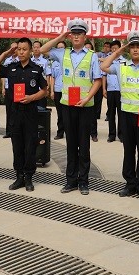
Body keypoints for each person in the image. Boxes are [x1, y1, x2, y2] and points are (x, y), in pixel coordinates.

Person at [41, 19, 102, 195]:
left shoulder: (92, 56)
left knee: (83, 145)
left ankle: (83, 181)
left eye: (79, 33)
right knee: (71, 143)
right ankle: (71, 180)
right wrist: (61, 35)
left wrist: (87, 98)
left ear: (85, 36)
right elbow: (44, 50)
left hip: (85, 106)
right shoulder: (63, 53)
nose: (76, 36)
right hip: (67, 105)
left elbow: (97, 81)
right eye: (73, 33)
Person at [101, 32, 139, 199]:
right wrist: (119, 51)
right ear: (128, 49)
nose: (135, 50)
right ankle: (130, 183)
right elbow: (104, 66)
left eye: (138, 46)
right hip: (126, 114)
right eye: (132, 46)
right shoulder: (122, 66)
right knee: (128, 150)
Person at [0, 38, 48, 191]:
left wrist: (32, 98)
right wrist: (6, 53)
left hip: (30, 113)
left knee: (30, 146)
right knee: (17, 146)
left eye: (24, 49)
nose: (21, 52)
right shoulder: (11, 67)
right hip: (14, 113)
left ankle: (28, 178)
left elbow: (44, 91)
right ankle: (19, 177)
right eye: (19, 49)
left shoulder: (36, 69)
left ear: (30, 51)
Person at [103, 39, 124, 143]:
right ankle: (111, 135)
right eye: (113, 48)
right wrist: (104, 88)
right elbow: (104, 76)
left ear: (120, 49)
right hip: (110, 90)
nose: (115, 50)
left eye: (117, 48)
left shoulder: (124, 61)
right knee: (111, 113)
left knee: (121, 113)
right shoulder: (108, 61)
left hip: (121, 91)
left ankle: (121, 134)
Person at [85, 39, 102, 142]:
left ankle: (93, 134)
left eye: (89, 48)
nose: (87, 50)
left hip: (95, 90)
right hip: (84, 91)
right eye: (85, 48)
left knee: (93, 114)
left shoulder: (94, 59)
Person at [0, 49, 19, 138]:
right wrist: (3, 87)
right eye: (12, 49)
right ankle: (8, 131)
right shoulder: (7, 61)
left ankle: (16, 131)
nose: (14, 51)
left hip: (18, 90)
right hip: (8, 89)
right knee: (9, 110)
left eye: (16, 49)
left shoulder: (20, 60)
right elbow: (3, 76)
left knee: (17, 111)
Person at [50, 40, 66, 140]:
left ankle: (70, 132)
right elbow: (53, 78)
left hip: (68, 91)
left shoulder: (69, 61)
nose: (60, 49)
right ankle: (60, 133)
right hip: (58, 90)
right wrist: (52, 91)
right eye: (58, 48)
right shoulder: (54, 63)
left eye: (62, 48)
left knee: (68, 113)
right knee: (60, 113)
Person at [31, 40, 52, 109]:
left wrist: (48, 88)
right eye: (34, 47)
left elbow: (48, 75)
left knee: (41, 110)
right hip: (31, 89)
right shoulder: (29, 61)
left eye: (38, 47)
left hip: (41, 90)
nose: (36, 49)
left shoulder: (45, 61)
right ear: (32, 48)